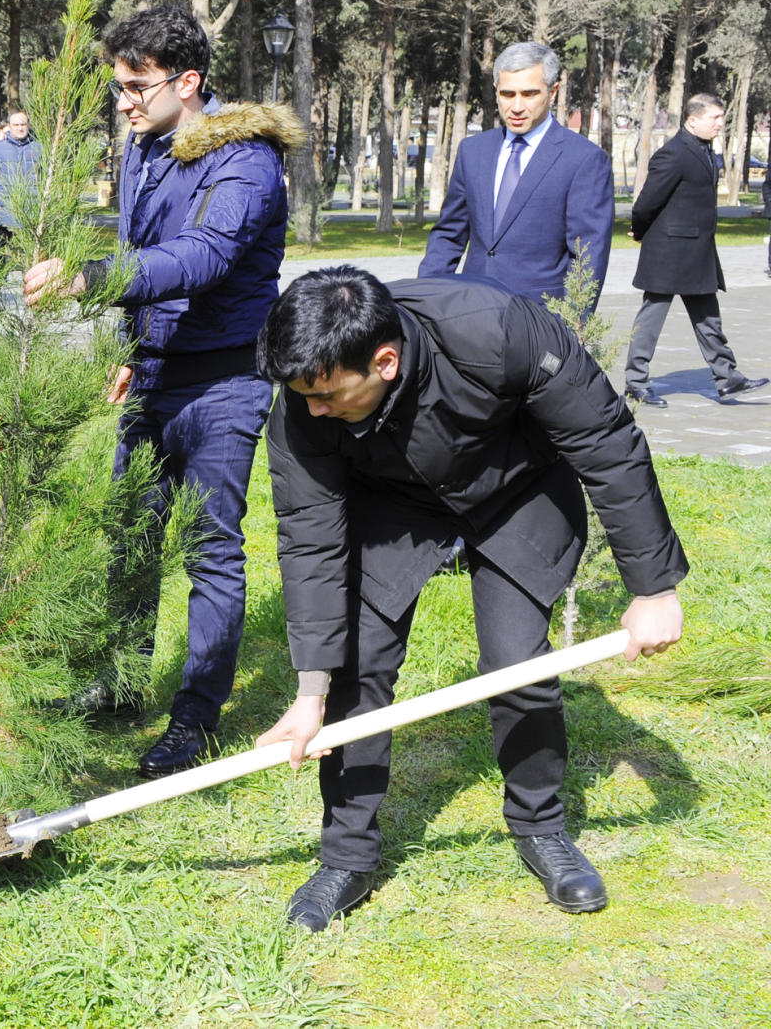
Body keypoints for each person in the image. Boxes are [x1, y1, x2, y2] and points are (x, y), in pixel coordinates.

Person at [254, 268, 687, 931]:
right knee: (356, 663)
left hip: (519, 489)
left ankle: (540, 826)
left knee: (517, 662)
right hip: (393, 505)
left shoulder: (496, 330)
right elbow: (310, 541)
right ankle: (347, 855)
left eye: (328, 394)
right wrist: (311, 690)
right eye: (302, 395)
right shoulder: (304, 404)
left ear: (386, 361)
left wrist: (653, 588)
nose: (313, 409)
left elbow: (607, 442)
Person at [23, 4, 294, 780]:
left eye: (138, 86)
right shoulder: (145, 147)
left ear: (189, 81)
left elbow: (202, 257)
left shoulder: (246, 159)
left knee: (211, 549)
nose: (125, 101)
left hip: (224, 383)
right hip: (153, 376)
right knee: (132, 537)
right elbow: (142, 248)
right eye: (118, 87)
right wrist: (130, 350)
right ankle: (119, 684)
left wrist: (89, 281)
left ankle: (195, 716)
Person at [418, 41, 614, 308]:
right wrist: (423, 304)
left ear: (553, 92)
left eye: (529, 93)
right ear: (496, 91)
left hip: (541, 320)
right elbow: (449, 235)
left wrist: (572, 330)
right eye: (508, 94)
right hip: (470, 314)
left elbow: (588, 257)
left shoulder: (584, 159)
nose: (517, 106)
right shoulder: (473, 151)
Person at [622, 93, 766, 406]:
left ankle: (728, 379)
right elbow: (647, 201)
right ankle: (635, 382)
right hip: (669, 253)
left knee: (708, 319)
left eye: (721, 118)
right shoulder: (674, 153)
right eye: (715, 118)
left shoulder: (702, 149)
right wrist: (639, 229)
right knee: (651, 320)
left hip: (697, 253)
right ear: (693, 120)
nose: (720, 124)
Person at [0, 108, 42, 242]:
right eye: (16, 125)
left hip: (30, 214)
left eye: (23, 124)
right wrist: (2, 191)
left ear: (28, 125)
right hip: (3, 215)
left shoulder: (39, 148)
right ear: (9, 127)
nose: (20, 128)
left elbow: (46, 176)